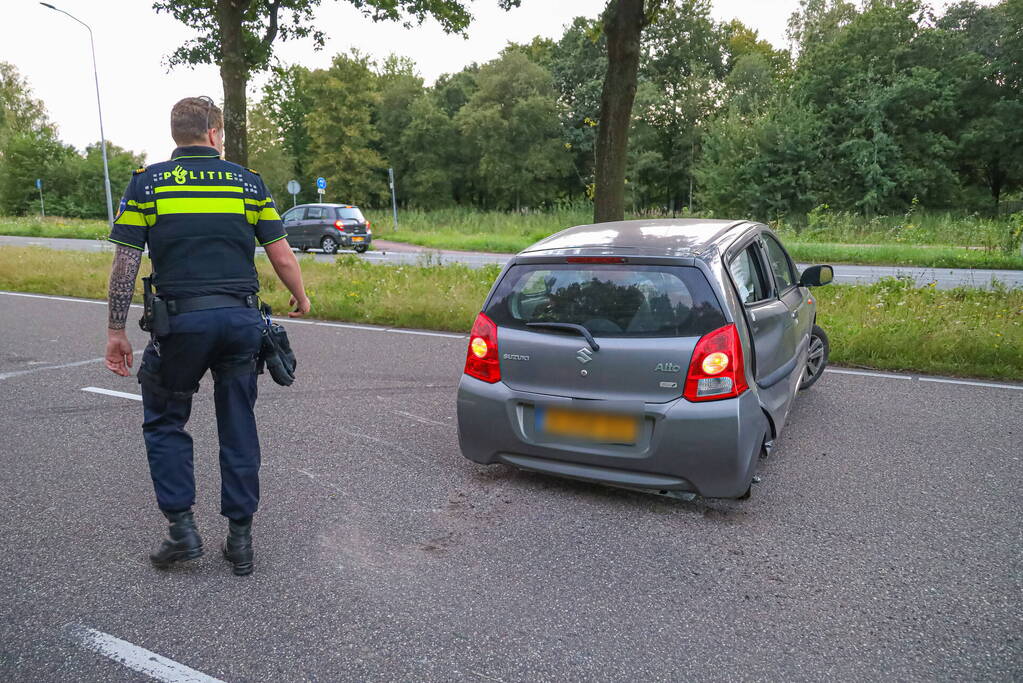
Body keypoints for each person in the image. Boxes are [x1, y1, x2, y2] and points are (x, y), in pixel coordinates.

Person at [103, 96, 310, 576]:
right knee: (238, 422)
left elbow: (126, 263)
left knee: (165, 418)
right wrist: (300, 297)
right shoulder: (247, 182)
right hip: (240, 322)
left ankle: (182, 530)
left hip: (181, 324)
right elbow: (280, 254)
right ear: (214, 133)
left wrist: (116, 330)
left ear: (176, 135)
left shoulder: (147, 184)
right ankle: (240, 540)